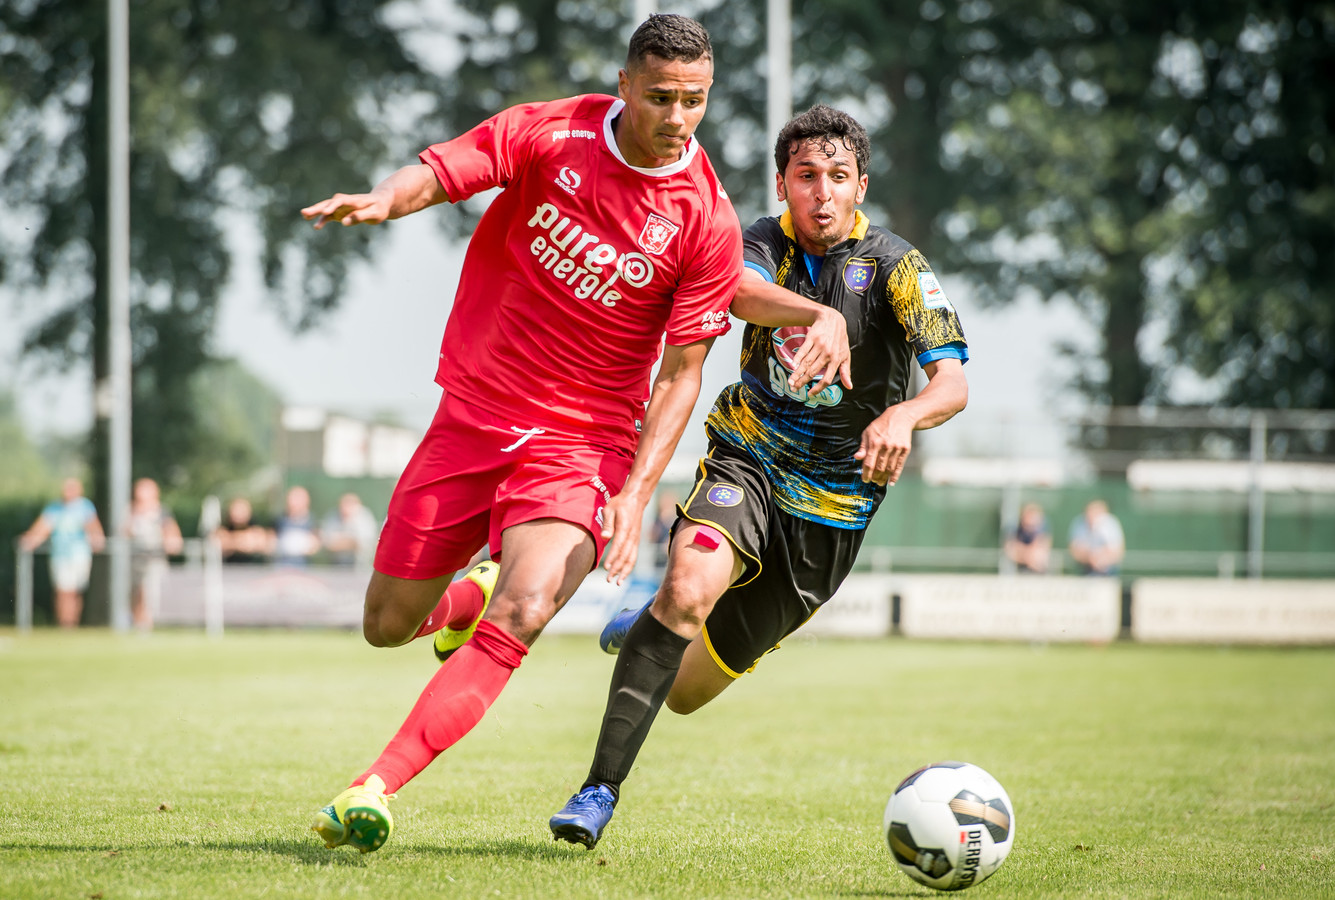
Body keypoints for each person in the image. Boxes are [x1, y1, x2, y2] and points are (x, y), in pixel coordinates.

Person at [295, 15, 796, 855]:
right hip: (473, 415)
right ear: (628, 83)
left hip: (581, 444)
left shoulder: (705, 219)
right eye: (663, 96)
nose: (679, 117)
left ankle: (371, 787)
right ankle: (463, 599)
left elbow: (681, 373)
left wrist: (635, 497)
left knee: (528, 605)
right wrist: (388, 199)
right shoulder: (549, 130)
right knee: (386, 623)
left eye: (696, 101)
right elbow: (441, 170)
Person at [548, 105, 970, 849]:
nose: (821, 192)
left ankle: (647, 630)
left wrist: (903, 418)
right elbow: (736, 292)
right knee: (685, 590)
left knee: (681, 694)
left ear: (859, 185)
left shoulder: (899, 268)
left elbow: (952, 384)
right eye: (805, 176)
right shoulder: (755, 240)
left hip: (831, 514)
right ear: (783, 183)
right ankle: (596, 791)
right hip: (750, 458)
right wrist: (816, 315)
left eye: (837, 177)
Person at [19, 477, 107, 628]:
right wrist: (30, 539)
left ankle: (72, 622)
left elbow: (93, 527)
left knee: (75, 591)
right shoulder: (54, 508)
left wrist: (97, 538)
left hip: (80, 555)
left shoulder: (85, 507)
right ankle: (65, 624)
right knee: (63, 591)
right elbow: (42, 528)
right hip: (60, 555)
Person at [125, 477, 184, 631]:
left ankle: (147, 625)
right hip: (135, 559)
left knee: (149, 592)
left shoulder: (161, 511)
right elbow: (123, 531)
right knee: (135, 592)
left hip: (154, 559)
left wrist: (172, 543)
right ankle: (137, 623)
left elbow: (172, 532)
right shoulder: (130, 510)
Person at [1068, 499, 1125, 576]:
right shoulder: (1079, 523)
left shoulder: (1111, 524)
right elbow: (1074, 551)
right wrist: (1089, 558)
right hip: (1085, 567)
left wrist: (1101, 560)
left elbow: (1117, 552)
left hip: (1108, 569)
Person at [321, 492, 379, 567]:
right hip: (335, 565)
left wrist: (340, 542)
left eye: (349, 504)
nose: (345, 508)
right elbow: (327, 543)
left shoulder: (365, 518)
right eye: (344, 504)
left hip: (359, 566)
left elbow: (364, 544)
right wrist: (349, 542)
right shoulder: (332, 516)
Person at [273, 485, 320, 567]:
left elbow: (316, 545)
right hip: (282, 567)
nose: (293, 502)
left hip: (303, 568)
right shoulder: (279, 521)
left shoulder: (312, 522)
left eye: (298, 499)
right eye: (292, 498)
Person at [215, 497, 272, 564]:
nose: (238, 514)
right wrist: (244, 541)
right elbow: (219, 543)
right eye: (236, 510)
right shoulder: (224, 528)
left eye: (241, 510)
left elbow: (263, 543)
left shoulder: (256, 527)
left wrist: (231, 541)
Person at [1003, 502, 1051, 574]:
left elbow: (1041, 554)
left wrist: (1022, 553)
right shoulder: (1015, 529)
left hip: (1037, 573)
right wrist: (1029, 557)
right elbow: (1010, 551)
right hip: (1017, 572)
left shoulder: (1042, 529)